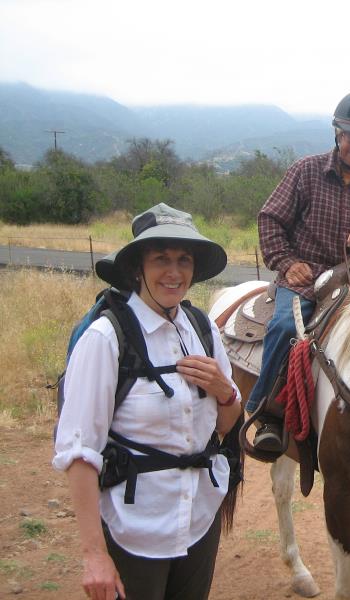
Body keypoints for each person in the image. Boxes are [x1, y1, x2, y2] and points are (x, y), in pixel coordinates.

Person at [53, 203, 242, 600]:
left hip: (198, 517)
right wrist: (95, 556)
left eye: (183, 260)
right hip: (134, 527)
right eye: (161, 259)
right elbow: (79, 451)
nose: (174, 273)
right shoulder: (106, 339)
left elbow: (224, 425)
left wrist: (224, 391)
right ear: (139, 267)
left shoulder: (201, 327)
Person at [247, 91, 350, 452]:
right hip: (305, 276)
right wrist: (286, 262)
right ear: (337, 134)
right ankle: (268, 413)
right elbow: (271, 219)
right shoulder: (305, 170)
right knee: (284, 326)